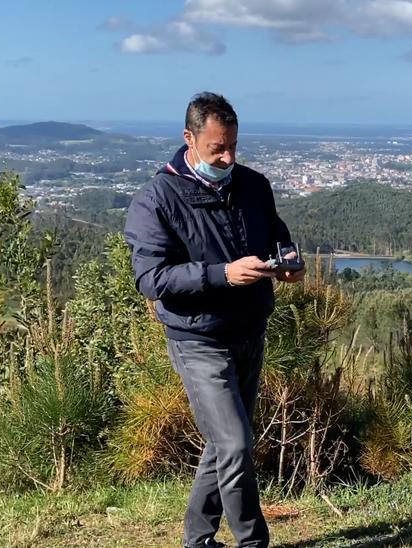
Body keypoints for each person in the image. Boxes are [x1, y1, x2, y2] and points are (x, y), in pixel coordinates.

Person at [124, 92, 303, 548]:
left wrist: (287, 260)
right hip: (198, 339)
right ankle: (252, 542)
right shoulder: (156, 199)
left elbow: (275, 234)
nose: (227, 158)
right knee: (236, 445)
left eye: (233, 147)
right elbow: (151, 277)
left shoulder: (253, 185)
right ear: (189, 138)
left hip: (250, 331)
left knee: (225, 444)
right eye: (216, 149)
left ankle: (197, 540)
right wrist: (223, 274)